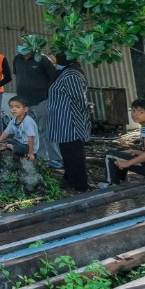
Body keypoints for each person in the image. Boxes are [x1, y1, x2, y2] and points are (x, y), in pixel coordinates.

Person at [44, 50, 91, 191]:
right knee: (67, 153)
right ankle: (70, 179)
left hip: (71, 122)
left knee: (74, 154)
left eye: (53, 54)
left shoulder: (72, 74)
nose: (50, 57)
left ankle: (80, 184)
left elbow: (79, 99)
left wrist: (86, 110)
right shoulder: (64, 72)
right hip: (62, 121)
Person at [13, 41, 62, 168]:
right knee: (32, 131)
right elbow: (18, 76)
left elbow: (55, 77)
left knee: (46, 130)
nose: (21, 46)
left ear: (32, 45)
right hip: (24, 103)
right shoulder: (17, 59)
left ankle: (56, 158)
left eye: (24, 44)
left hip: (41, 100)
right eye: (20, 44)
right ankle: (40, 157)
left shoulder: (42, 59)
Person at [0, 96, 39, 173]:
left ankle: (9, 146)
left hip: (28, 146)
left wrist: (31, 153)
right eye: (11, 107)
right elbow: (6, 132)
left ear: (25, 109)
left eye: (17, 107)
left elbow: (31, 138)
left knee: (19, 149)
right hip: (18, 142)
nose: (14, 109)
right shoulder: (14, 120)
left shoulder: (28, 121)